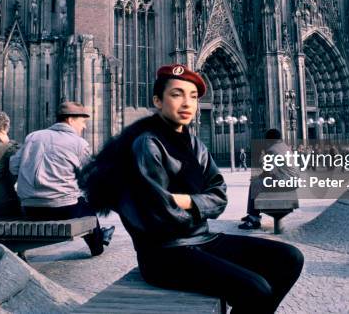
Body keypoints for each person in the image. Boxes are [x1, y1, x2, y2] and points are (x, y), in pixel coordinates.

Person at [81, 65, 303, 314]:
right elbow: (159, 216)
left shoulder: (196, 144)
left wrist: (185, 201)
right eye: (177, 94)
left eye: (193, 96)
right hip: (164, 253)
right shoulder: (146, 144)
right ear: (157, 100)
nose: (187, 103)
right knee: (256, 288)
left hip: (202, 239)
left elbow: (220, 196)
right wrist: (198, 204)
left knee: (290, 258)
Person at [10, 101, 113, 257]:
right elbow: (89, 176)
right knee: (86, 208)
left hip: (30, 207)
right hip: (62, 208)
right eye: (82, 122)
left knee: (80, 204)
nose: (84, 127)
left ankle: (101, 235)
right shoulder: (79, 143)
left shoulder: (33, 137)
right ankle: (98, 246)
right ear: (70, 120)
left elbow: (14, 167)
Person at [239, 128, 293, 230]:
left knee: (254, 185)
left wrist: (259, 177)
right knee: (257, 183)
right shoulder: (285, 148)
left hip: (280, 185)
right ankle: (252, 215)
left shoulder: (272, 150)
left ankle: (253, 218)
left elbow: (269, 171)